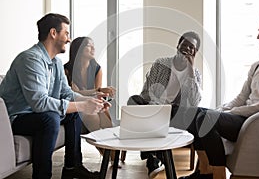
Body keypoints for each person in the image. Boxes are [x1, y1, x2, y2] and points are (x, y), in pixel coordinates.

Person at [178, 11, 259, 179]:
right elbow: (241, 98)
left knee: (205, 118)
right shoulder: (257, 65)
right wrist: (220, 110)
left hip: (258, 123)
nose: (258, 36)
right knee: (196, 114)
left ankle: (217, 176)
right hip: (246, 117)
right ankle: (204, 172)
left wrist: (224, 114)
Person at [0, 13, 111, 179]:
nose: (68, 39)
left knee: (72, 115)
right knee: (50, 118)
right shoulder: (30, 59)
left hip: (36, 114)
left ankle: (73, 167)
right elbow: (40, 103)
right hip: (16, 119)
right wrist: (82, 105)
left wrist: (91, 101)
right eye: (66, 33)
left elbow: (66, 93)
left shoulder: (56, 63)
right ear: (53, 33)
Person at [127, 31, 202, 179]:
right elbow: (146, 91)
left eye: (191, 47)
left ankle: (153, 159)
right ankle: (154, 157)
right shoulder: (161, 64)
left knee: (168, 114)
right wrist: (155, 107)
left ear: (195, 52)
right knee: (133, 100)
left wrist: (191, 70)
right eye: (184, 44)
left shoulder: (194, 73)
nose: (187, 48)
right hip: (153, 106)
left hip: (175, 112)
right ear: (178, 45)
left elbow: (194, 102)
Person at [64, 36, 116, 132]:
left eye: (93, 46)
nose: (93, 49)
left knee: (104, 113)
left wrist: (86, 92)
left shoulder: (96, 68)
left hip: (93, 101)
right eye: (89, 46)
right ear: (79, 49)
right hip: (77, 105)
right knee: (93, 116)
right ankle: (102, 145)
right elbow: (72, 95)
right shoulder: (67, 70)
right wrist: (97, 90)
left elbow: (97, 95)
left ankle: (109, 146)